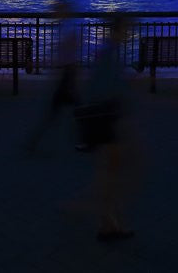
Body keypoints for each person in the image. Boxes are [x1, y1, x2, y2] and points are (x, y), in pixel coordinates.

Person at [78, 13, 134, 241]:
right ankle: (107, 223)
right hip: (106, 118)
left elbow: (94, 84)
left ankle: (108, 222)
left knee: (109, 171)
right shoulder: (109, 54)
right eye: (127, 29)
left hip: (102, 116)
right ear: (118, 30)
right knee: (110, 173)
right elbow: (110, 87)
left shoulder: (105, 51)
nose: (129, 34)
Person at [25, 0, 81, 152]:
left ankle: (35, 140)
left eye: (56, 10)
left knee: (58, 109)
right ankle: (36, 140)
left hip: (66, 75)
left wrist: (37, 64)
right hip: (68, 74)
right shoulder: (67, 27)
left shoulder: (67, 29)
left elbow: (60, 57)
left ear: (63, 12)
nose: (54, 12)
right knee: (73, 108)